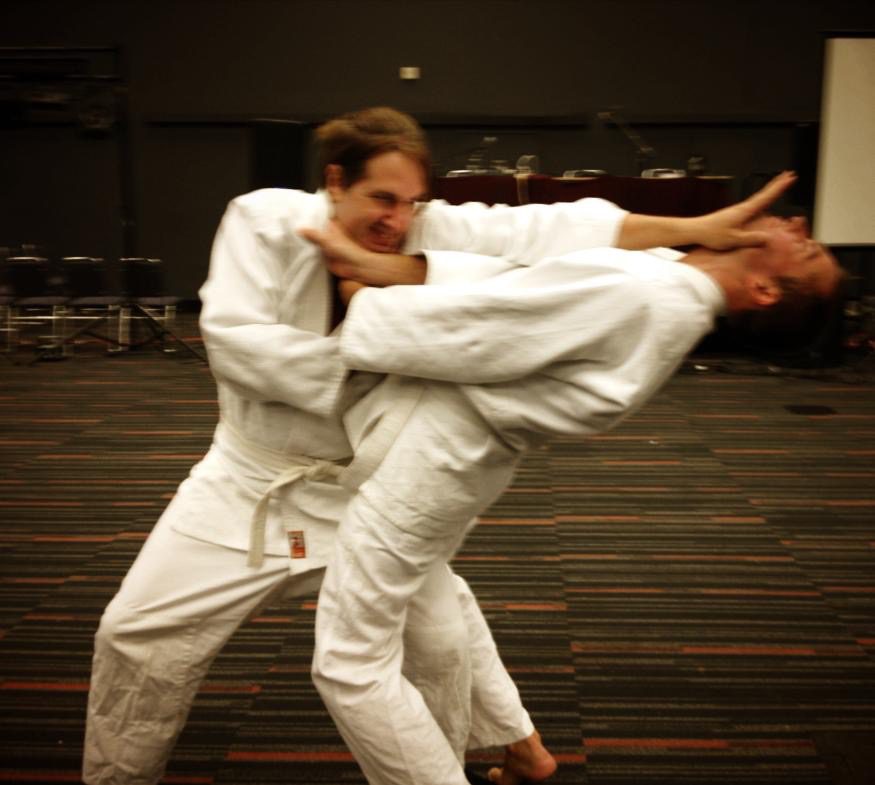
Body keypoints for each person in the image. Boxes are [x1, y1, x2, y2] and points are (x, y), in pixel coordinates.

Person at [82, 105, 799, 785]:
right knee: (133, 633)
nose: (397, 220)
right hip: (247, 485)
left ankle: (509, 751)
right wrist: (397, 351)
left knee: (441, 641)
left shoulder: (426, 228)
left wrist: (697, 224)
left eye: (411, 203)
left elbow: (551, 228)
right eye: (381, 198)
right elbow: (236, 345)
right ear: (334, 181)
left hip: (361, 486)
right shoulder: (264, 219)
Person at [308, 215, 842, 785]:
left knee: (350, 662)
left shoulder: (645, 294)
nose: (798, 224)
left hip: (429, 470)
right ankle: (524, 748)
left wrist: (360, 294)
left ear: (763, 289)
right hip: (453, 463)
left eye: (806, 247)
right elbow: (549, 258)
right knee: (436, 599)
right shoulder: (670, 277)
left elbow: (473, 334)